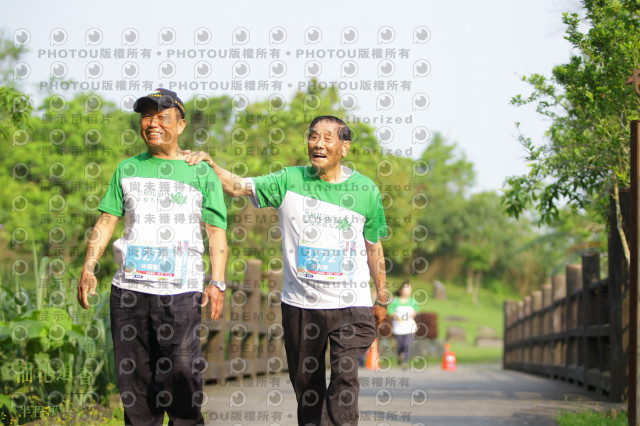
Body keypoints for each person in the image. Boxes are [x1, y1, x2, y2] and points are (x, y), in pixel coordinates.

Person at [185, 115, 390, 426]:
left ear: (345, 147)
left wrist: (382, 294)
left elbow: (373, 246)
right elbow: (238, 186)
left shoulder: (366, 190)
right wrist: (211, 165)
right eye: (313, 136)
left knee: (345, 377)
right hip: (301, 305)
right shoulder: (288, 180)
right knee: (307, 387)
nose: (318, 144)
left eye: (328, 138)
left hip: (351, 304)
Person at [77, 88, 228, 426]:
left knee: (183, 371)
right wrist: (88, 268)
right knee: (136, 386)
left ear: (181, 125)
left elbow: (216, 232)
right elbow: (107, 220)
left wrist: (217, 282)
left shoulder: (201, 172)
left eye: (162, 117)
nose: (153, 123)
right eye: (147, 117)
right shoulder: (127, 168)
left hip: (181, 292)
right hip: (129, 291)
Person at [388, 282, 419, 369]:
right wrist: (396, 316)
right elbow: (390, 311)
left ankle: (405, 362)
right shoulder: (395, 300)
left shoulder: (412, 301)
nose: (407, 291)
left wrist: (412, 314)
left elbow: (416, 310)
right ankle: (400, 356)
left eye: (409, 289)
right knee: (400, 344)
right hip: (398, 327)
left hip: (409, 327)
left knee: (407, 344)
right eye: (405, 288)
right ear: (401, 290)